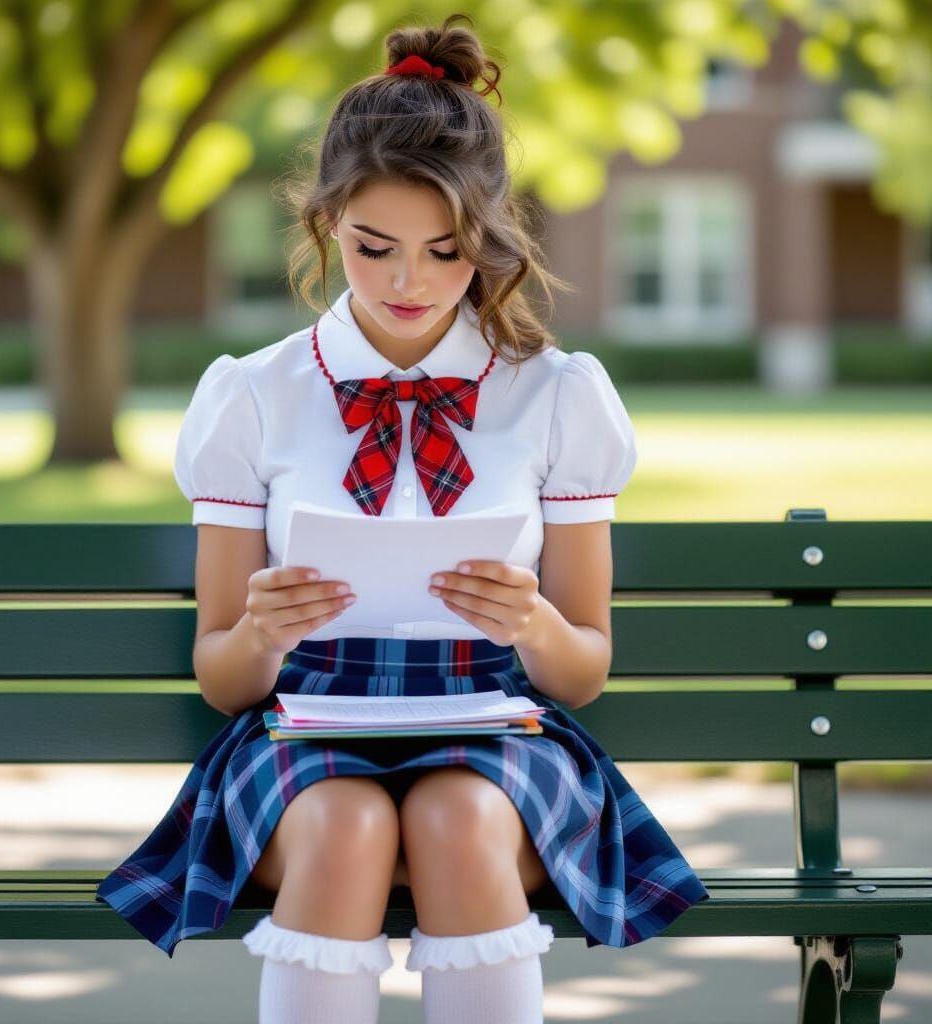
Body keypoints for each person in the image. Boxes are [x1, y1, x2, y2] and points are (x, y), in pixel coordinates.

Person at [95, 12, 710, 1024]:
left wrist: (532, 623)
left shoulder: (556, 394)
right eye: (374, 247)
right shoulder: (253, 395)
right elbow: (220, 676)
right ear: (327, 222)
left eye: (444, 250)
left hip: (498, 731)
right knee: (344, 827)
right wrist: (260, 630)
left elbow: (583, 670)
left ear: (491, 239)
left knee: (457, 817)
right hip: (301, 733)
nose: (406, 283)